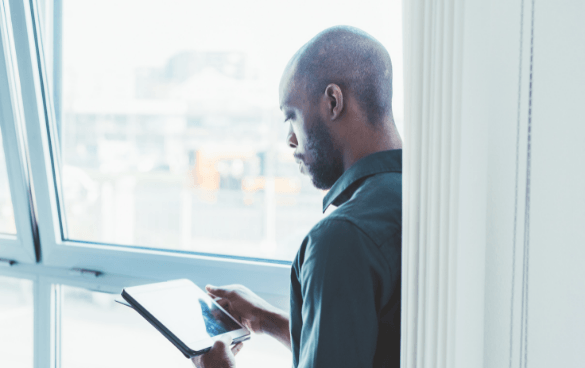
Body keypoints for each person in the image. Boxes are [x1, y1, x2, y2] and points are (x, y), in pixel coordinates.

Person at [192, 25, 402, 368]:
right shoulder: (418, 196)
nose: (291, 140)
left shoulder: (343, 236)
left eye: (293, 117)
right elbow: (367, 347)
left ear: (333, 102)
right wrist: (265, 319)